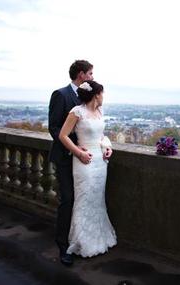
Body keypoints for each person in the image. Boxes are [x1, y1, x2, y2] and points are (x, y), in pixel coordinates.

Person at [58, 80, 117, 258]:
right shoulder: (77, 111)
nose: (103, 96)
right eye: (102, 93)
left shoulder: (100, 111)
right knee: (84, 199)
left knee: (97, 199)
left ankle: (99, 238)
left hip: (100, 162)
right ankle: (82, 241)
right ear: (96, 94)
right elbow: (63, 135)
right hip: (84, 161)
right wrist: (78, 152)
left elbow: (102, 135)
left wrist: (108, 147)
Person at [48, 60, 98, 266]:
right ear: (81, 74)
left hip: (85, 159)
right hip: (66, 158)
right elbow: (54, 128)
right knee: (67, 200)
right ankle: (62, 246)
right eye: (90, 73)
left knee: (82, 200)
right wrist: (76, 150)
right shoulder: (61, 94)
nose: (93, 77)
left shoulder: (88, 97)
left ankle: (79, 241)